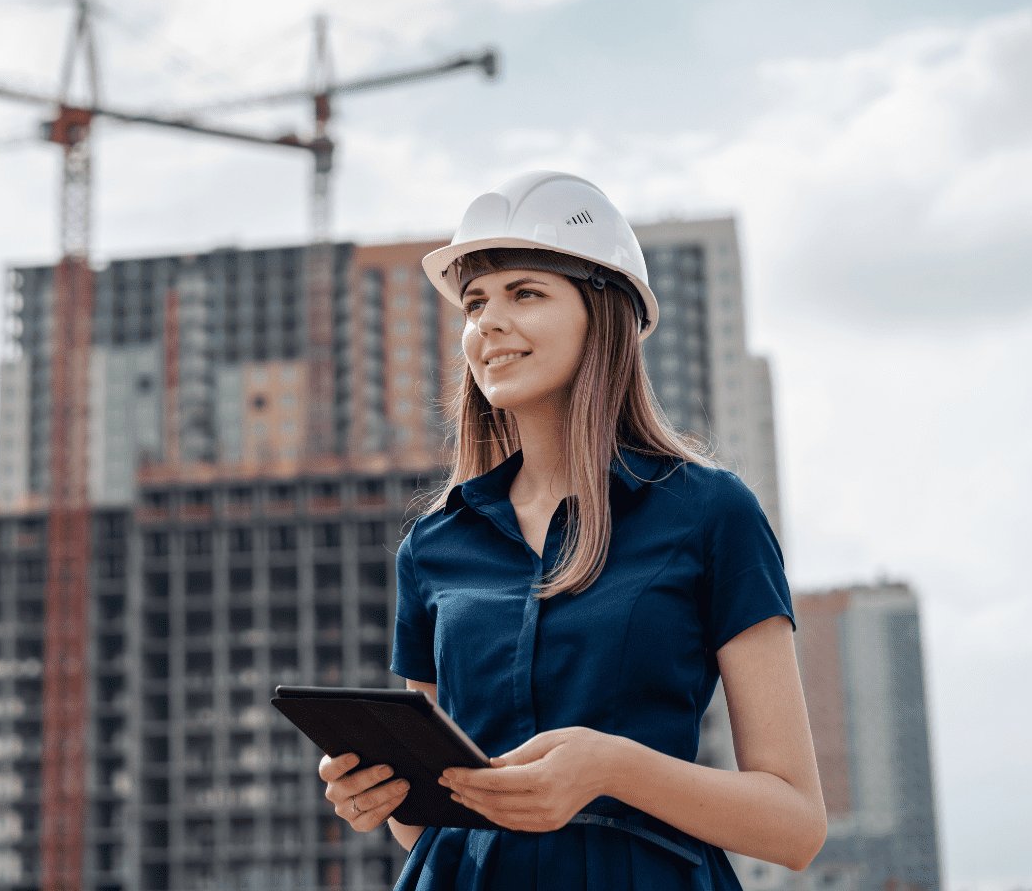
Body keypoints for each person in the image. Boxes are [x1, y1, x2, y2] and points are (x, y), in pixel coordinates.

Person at [319, 170, 826, 889]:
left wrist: (610, 767)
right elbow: (427, 824)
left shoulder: (712, 513)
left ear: (604, 314)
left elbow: (796, 826)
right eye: (475, 302)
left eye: (525, 292)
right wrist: (382, 790)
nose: (488, 321)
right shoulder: (432, 548)